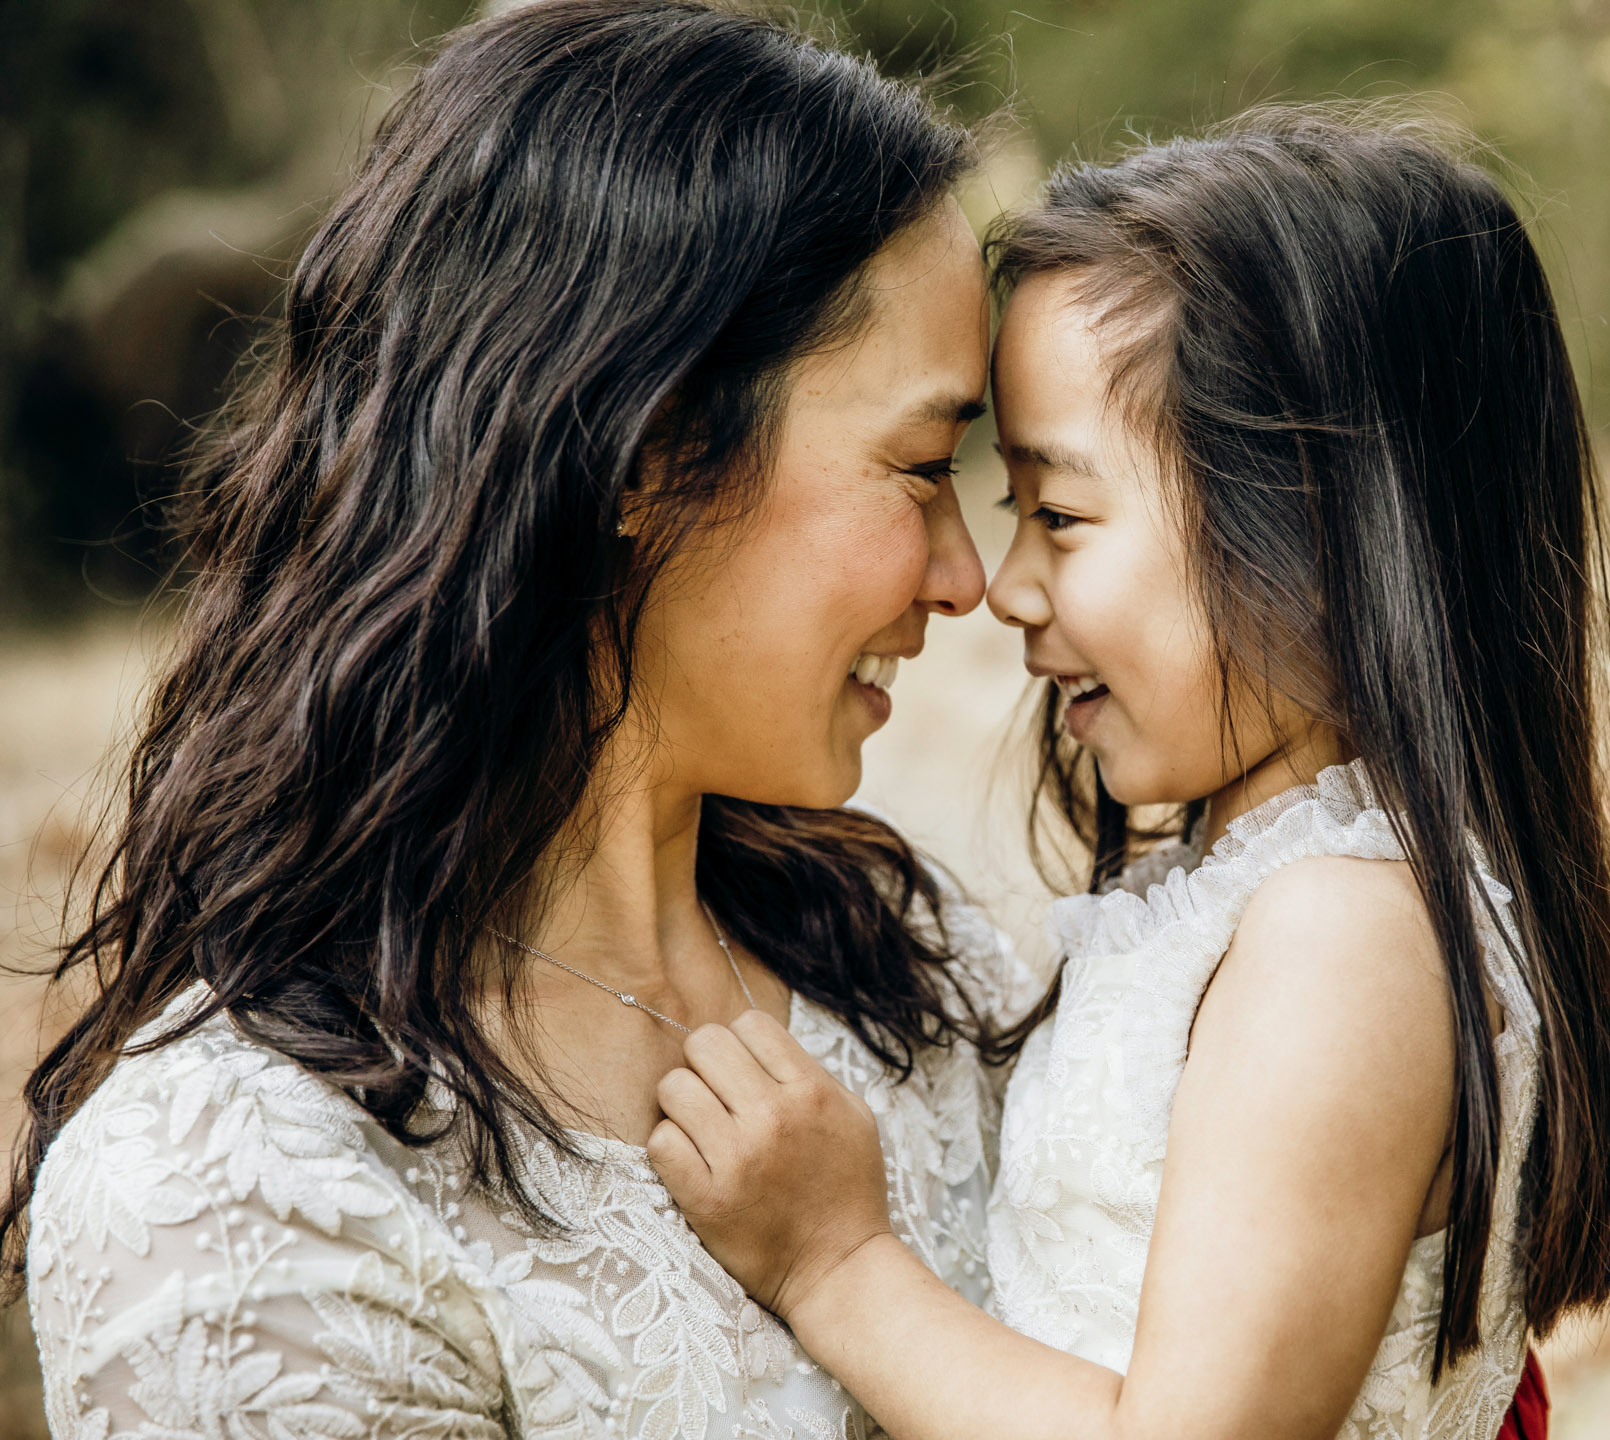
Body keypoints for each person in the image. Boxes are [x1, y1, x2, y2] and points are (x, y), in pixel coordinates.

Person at [7, 3, 1026, 1436]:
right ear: (647, 453)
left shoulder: (907, 964)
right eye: (923, 467)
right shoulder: (236, 1183)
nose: (967, 577)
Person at [649, 110, 1610, 1440]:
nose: (1006, 586)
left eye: (1065, 516)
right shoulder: (1261, 892)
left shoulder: (1344, 937)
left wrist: (837, 1265)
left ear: (1315, 530)